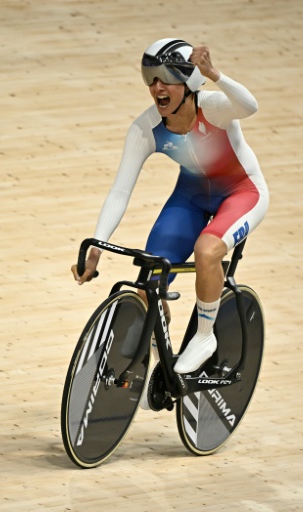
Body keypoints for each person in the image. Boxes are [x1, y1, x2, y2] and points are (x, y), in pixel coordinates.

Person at [71, 38, 269, 376]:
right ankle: (158, 362)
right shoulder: (145, 128)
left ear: (189, 82)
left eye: (165, 79)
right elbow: (120, 190)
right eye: (151, 79)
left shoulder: (214, 108)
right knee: (150, 279)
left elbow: (249, 106)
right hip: (191, 197)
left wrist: (214, 74)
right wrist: (96, 246)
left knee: (206, 251)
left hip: (241, 192)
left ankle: (205, 337)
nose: (156, 88)